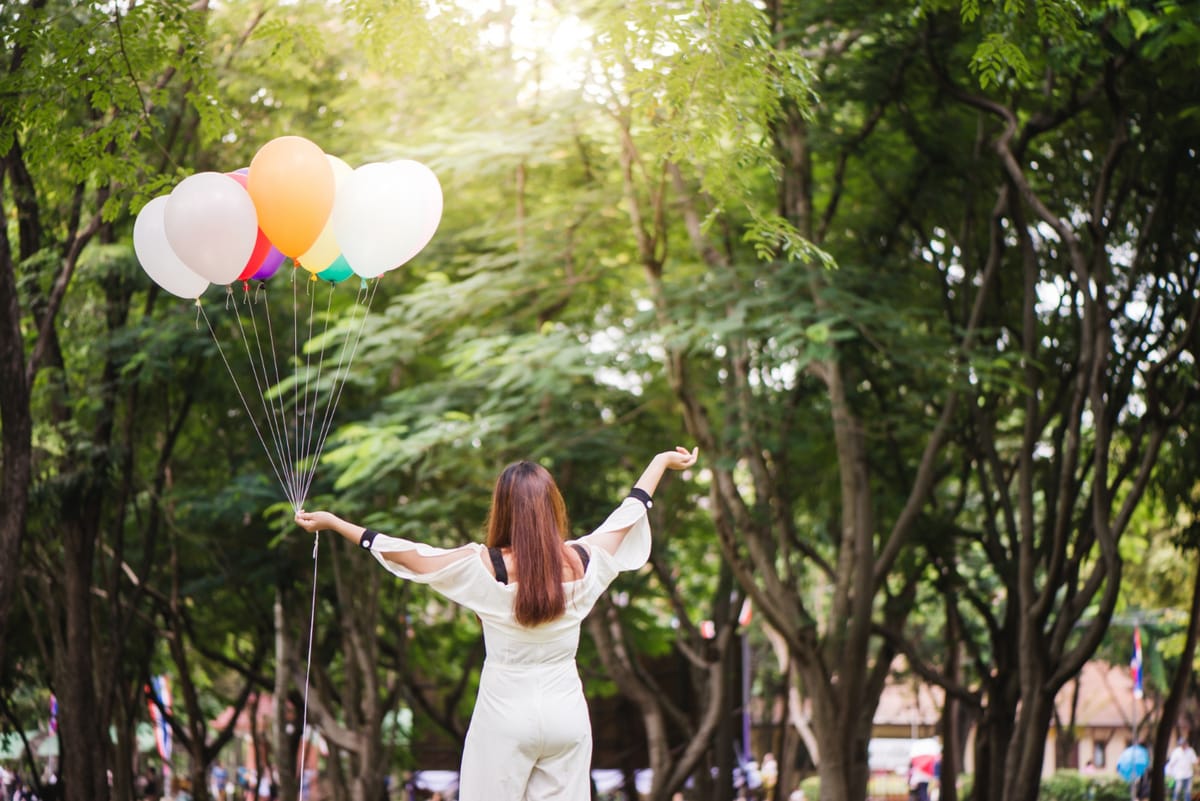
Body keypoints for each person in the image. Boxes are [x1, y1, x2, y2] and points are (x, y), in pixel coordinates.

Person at [294, 446, 700, 801]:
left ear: (503, 509)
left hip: (505, 717)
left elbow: (413, 556)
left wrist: (337, 524)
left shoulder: (484, 569)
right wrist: (660, 462)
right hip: (568, 718)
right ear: (552, 506)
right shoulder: (585, 562)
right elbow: (628, 514)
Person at [1167, 737, 1198, 801]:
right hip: (1179, 775)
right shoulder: (1176, 752)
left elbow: (1194, 761)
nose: (1183, 745)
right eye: (1181, 744)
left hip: (1188, 775)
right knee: (1177, 790)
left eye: (1184, 743)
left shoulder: (1190, 751)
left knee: (1188, 791)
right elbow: (1171, 762)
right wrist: (1169, 772)